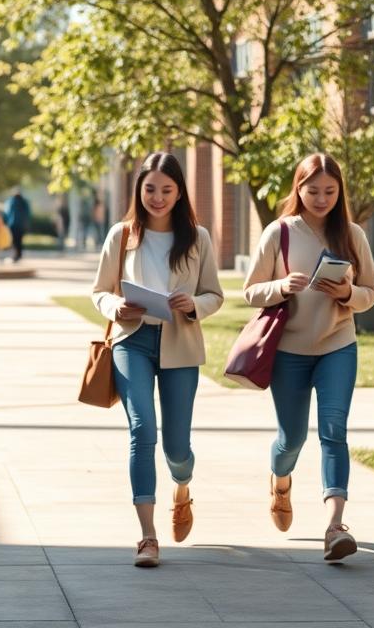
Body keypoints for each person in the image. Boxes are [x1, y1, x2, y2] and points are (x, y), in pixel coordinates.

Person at [90, 152, 225, 568]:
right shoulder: (122, 234)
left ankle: (182, 487)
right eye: (150, 189)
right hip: (133, 341)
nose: (158, 197)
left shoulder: (198, 237)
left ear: (180, 191)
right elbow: (99, 291)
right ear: (139, 189)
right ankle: (147, 536)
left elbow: (215, 295)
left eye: (167, 189)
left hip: (180, 343)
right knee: (141, 429)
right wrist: (116, 309)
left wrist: (193, 304)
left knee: (177, 446)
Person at [243, 152, 374, 563]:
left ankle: (335, 526)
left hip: (338, 345)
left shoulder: (352, 235)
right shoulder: (279, 232)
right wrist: (282, 286)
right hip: (289, 351)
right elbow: (250, 291)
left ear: (340, 192)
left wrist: (347, 295)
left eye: (330, 191)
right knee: (292, 438)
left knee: (334, 431)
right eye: (313, 190)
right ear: (298, 189)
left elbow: (371, 293)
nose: (321, 198)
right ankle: (280, 479)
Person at [4, 187, 31, 263]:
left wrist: (6, 222)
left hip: (12, 224)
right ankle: (18, 255)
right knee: (18, 241)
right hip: (20, 225)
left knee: (14, 240)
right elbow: (28, 214)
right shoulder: (24, 202)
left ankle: (16, 255)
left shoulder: (10, 201)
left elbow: (6, 213)